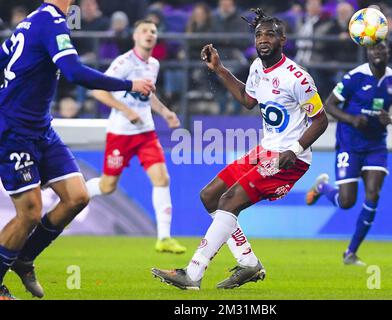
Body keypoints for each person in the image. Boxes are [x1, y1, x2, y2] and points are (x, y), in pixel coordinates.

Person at [151, 8, 328, 290]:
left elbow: (321, 120)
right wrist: (220, 69)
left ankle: (192, 274)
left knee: (228, 200)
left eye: (270, 34)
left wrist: (294, 150)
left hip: (289, 159)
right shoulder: (257, 67)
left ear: (283, 40)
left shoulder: (298, 78)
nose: (263, 39)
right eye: (259, 34)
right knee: (210, 196)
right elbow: (248, 100)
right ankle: (248, 264)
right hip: (264, 149)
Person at [0, 0, 153, 300]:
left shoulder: (33, 21)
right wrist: (128, 84)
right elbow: (73, 72)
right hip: (15, 132)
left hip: (41, 130)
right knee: (29, 212)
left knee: (77, 197)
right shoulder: (51, 21)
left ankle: (24, 258)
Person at [85, 20, 187, 254]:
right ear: (135, 36)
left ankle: (164, 238)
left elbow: (148, 95)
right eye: (144, 31)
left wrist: (165, 112)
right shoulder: (123, 63)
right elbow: (99, 90)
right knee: (107, 186)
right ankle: (77, 193)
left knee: (162, 179)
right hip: (120, 134)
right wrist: (126, 110)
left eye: (153, 31)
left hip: (146, 133)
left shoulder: (154, 64)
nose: (149, 34)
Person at [305, 41, 392, 266]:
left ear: (388, 52)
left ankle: (350, 252)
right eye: (374, 49)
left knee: (373, 193)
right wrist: (352, 119)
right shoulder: (354, 77)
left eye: (382, 49)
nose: (378, 52)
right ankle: (323, 188)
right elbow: (329, 105)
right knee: (346, 201)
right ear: (368, 52)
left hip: (376, 146)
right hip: (349, 144)